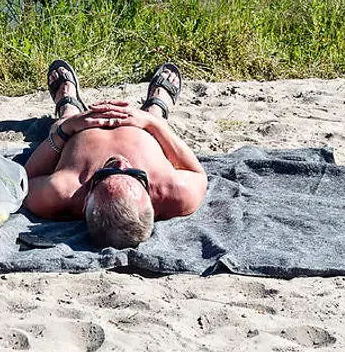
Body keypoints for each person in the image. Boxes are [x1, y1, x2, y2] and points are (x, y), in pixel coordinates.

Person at [23, 60, 208, 248]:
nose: (120, 163)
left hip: (78, 129)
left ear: (86, 201)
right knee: (158, 118)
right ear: (153, 203)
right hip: (143, 128)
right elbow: (198, 174)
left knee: (62, 121)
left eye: (103, 175)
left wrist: (66, 128)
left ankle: (68, 105)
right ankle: (156, 107)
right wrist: (152, 123)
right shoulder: (174, 191)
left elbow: (25, 181)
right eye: (136, 175)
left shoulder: (63, 191)